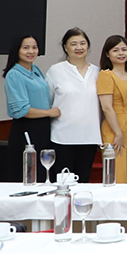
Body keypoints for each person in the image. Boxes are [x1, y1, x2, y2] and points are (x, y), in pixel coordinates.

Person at [47, 28, 101, 181]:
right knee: (63, 182)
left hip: (89, 137)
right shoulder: (55, 71)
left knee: (83, 181)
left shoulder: (97, 72)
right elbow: (47, 101)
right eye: (73, 44)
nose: (79, 47)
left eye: (83, 43)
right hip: (62, 137)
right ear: (65, 47)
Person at [4, 34, 57, 182]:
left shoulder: (36, 70)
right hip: (26, 128)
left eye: (34, 47)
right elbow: (22, 110)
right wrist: (50, 112)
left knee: (43, 173)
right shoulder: (14, 74)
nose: (31, 51)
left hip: (43, 127)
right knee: (28, 175)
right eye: (26, 48)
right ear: (17, 50)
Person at [96, 35, 127, 185]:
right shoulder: (106, 75)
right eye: (115, 50)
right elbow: (107, 107)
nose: (121, 53)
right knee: (118, 173)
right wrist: (118, 133)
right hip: (115, 126)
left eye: (124, 49)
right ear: (107, 54)